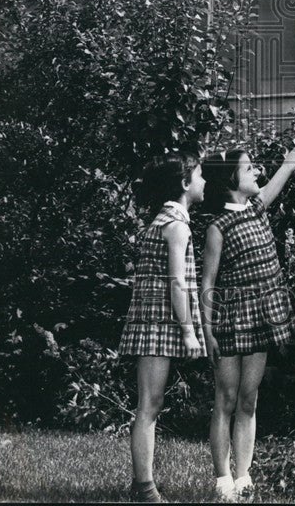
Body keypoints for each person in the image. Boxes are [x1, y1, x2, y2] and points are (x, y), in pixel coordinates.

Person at [201, 107, 295, 503]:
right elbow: (207, 284)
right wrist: (207, 331)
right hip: (230, 321)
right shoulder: (217, 228)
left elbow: (289, 165)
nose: (257, 174)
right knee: (225, 399)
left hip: (262, 317)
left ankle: (244, 477)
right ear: (231, 179)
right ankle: (222, 480)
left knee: (249, 398)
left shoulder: (260, 206)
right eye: (249, 170)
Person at [118, 153, 207, 504]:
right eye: (199, 176)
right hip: (158, 324)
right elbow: (177, 282)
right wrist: (188, 330)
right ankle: (144, 488)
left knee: (149, 404)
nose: (204, 182)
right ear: (184, 184)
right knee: (149, 405)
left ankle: (142, 484)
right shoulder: (177, 226)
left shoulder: (162, 221)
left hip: (152, 322)